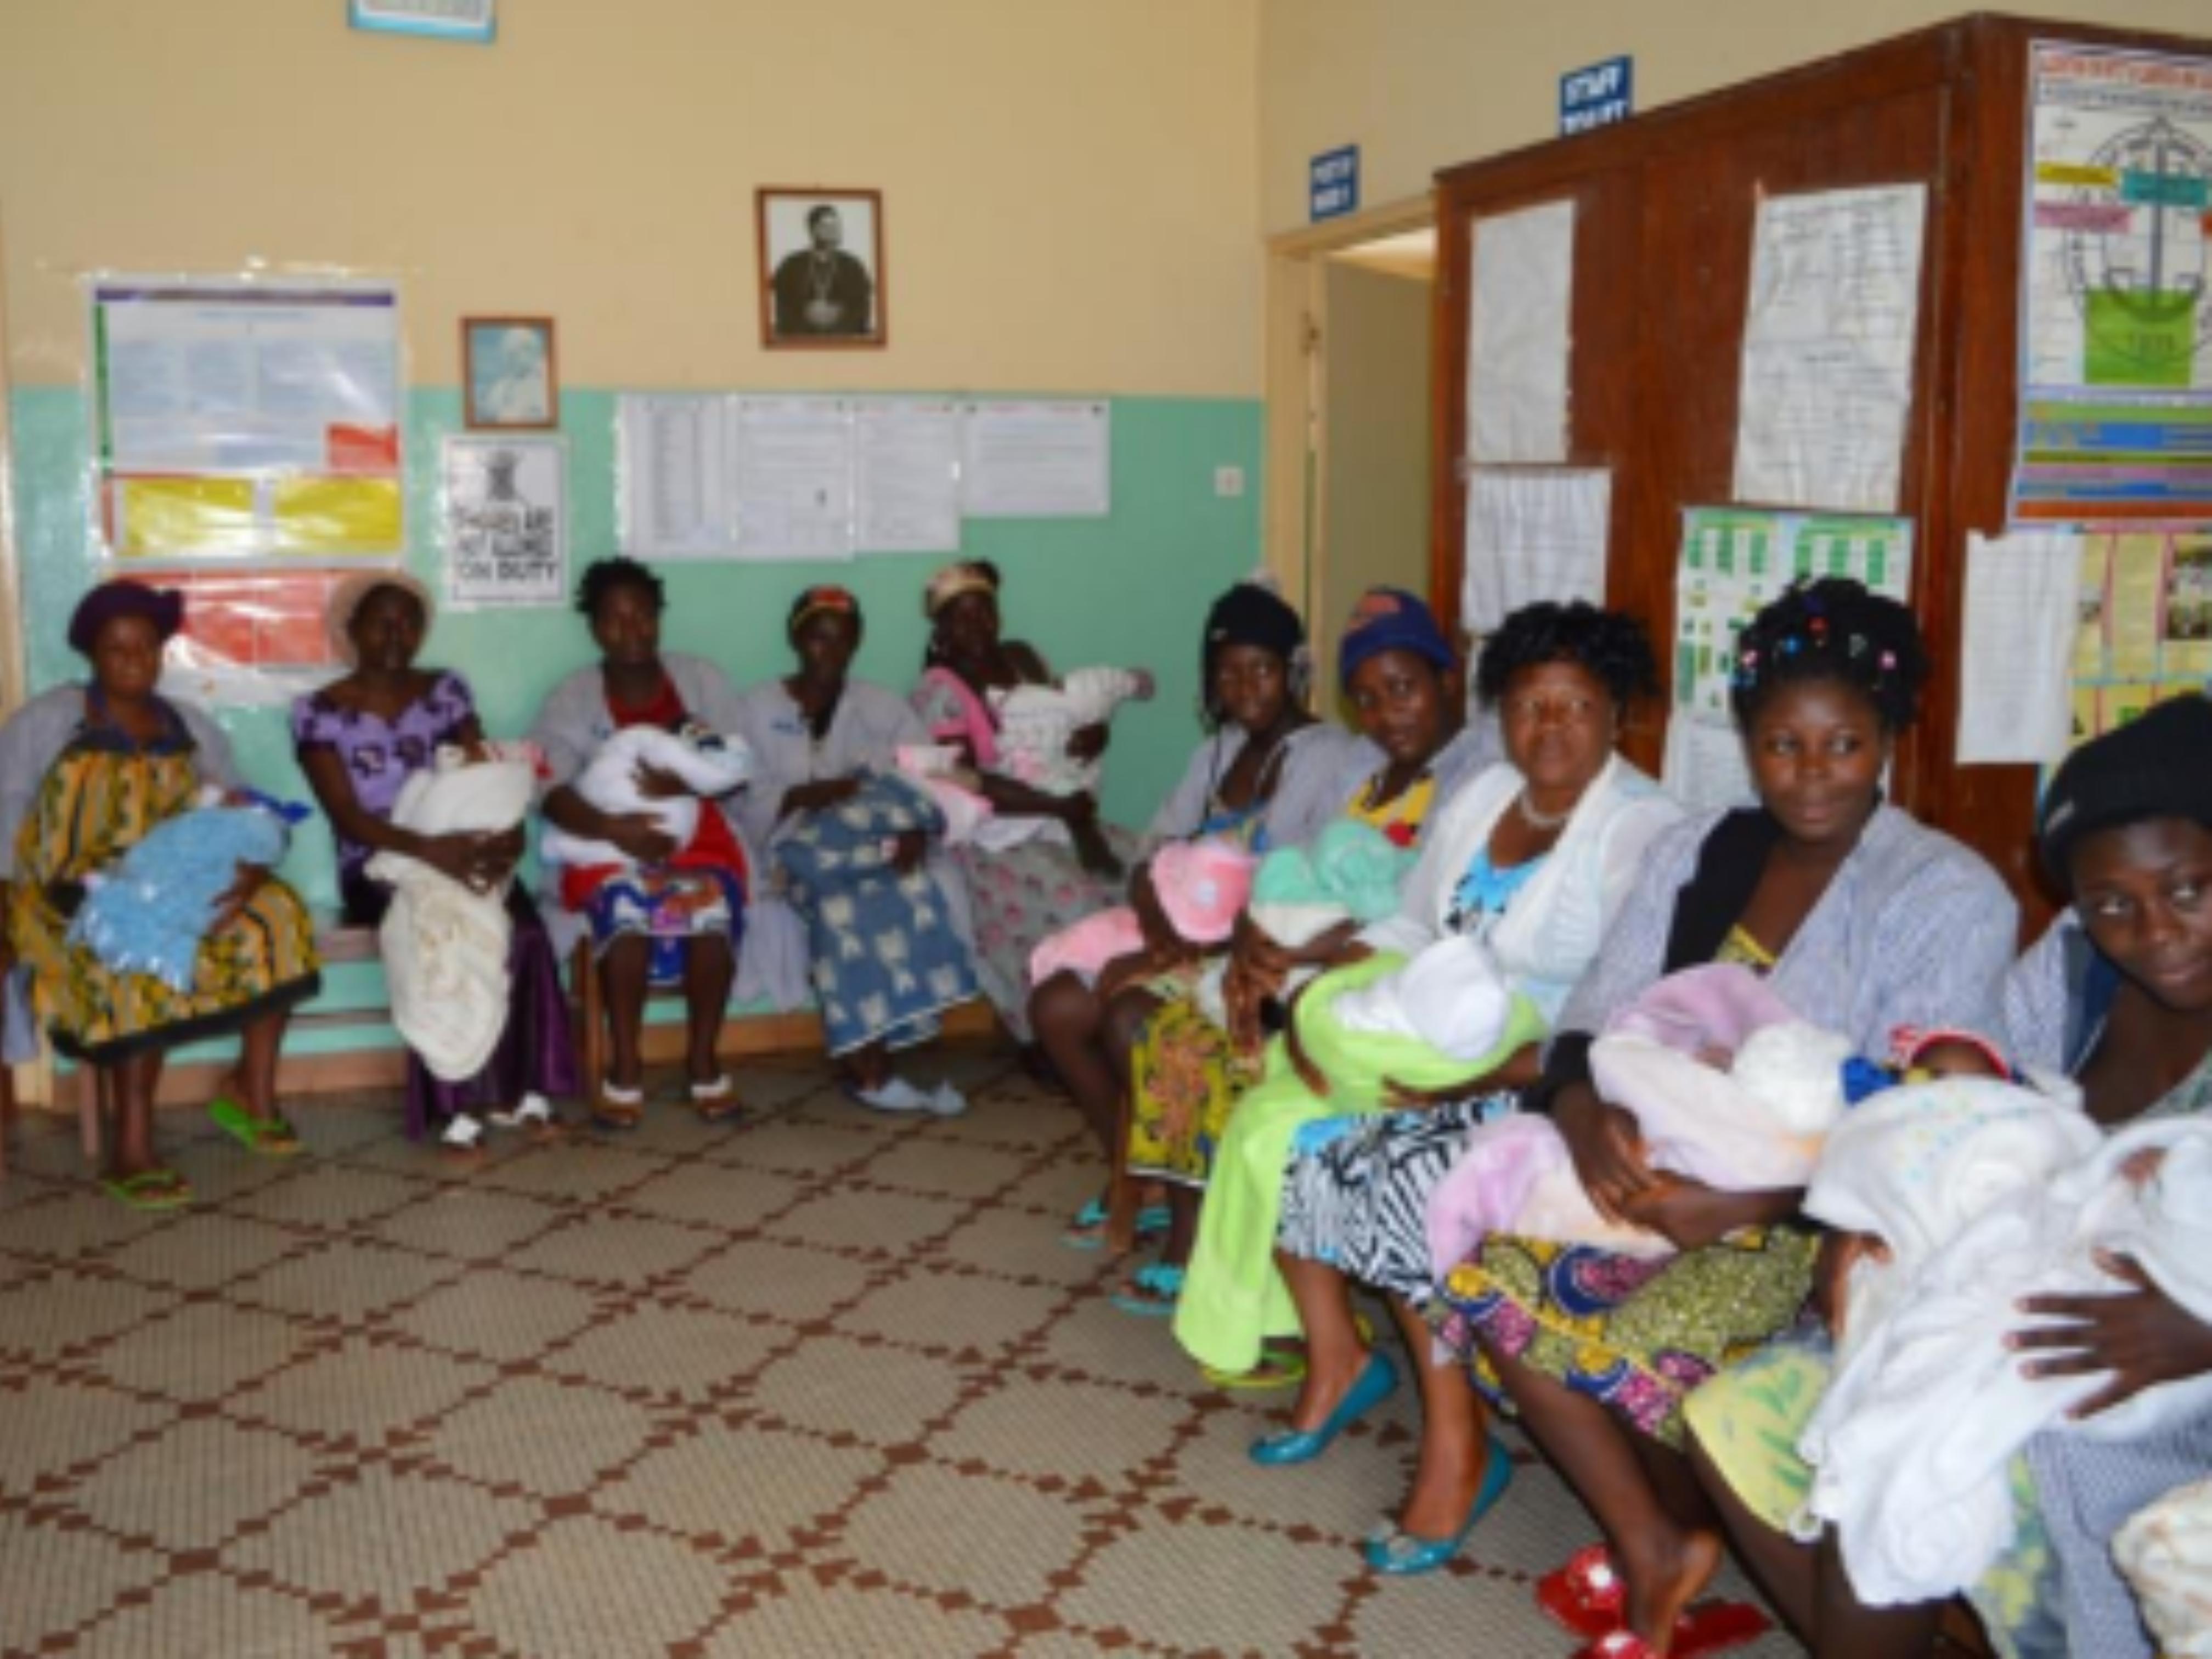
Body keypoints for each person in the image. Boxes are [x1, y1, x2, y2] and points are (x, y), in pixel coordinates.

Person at [1426, 578, 2017, 1657]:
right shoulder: (1698, 850)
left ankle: (1709, 1532)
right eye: (1783, 744)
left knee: (1645, 1336)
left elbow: (1936, 1132)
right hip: (1654, 1170)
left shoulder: (1943, 891)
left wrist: (1749, 1198)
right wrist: (1578, 1114)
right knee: (1486, 1279)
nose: (1812, 773)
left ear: (1888, 739)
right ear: (1750, 744)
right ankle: (1658, 1540)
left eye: (1843, 744)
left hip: (1831, 1220)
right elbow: (1593, 1017)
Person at [1686, 692, 2212, 1659]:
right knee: (1756, 1414)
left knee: (1929, 1457)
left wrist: (2197, 1331)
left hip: (2174, 1375)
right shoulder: (2073, 972)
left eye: (2187, 888)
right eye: (2111, 904)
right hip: (2012, 1295)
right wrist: (1869, 1220)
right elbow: (1955, 1112)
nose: (2155, 931)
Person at [1227, 603, 1683, 1573]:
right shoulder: (1481, 794)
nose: (1548, 728)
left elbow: (1618, 1015)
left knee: (1376, 1169)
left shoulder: (1642, 829)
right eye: (1527, 706)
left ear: (1616, 715)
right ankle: (1337, 1358)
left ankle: (1457, 1445)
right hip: (1433, 1042)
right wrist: (1316, 979)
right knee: (1278, 1118)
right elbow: (1407, 922)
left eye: (1574, 706)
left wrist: (1470, 1080)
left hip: (1546, 1077)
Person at [1113, 585, 1498, 1315]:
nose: (1390, 714)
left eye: (1404, 689)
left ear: (1449, 680)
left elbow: (1421, 906)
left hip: (1381, 973)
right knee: (1172, 1027)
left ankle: (1236, 1272)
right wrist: (1259, 941)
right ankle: (1201, 1241)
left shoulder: (1474, 777)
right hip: (1307, 956)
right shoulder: (1369, 769)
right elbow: (1305, 867)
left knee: (1218, 1048)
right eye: (1371, 699)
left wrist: (1293, 960)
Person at [1028, 578, 1365, 1239]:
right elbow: (1152, 859)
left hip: (1256, 950)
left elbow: (1302, 894)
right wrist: (1158, 936)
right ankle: (1138, 1172)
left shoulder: (1333, 760)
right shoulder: (1214, 753)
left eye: (1262, 669)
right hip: (1183, 939)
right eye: (1228, 674)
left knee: (1130, 1016)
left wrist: (1189, 953)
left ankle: (1196, 1202)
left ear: (1294, 669)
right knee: (1056, 1008)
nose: (1245, 689)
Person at [0, 580, 321, 1207]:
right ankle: (134, 1145)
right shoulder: (48, 719)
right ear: (93, 653)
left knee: (276, 914)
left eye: (145, 646)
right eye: (116, 648)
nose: (132, 660)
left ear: (161, 653)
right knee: (129, 953)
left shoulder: (190, 725)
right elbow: (5, 810)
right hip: (68, 886)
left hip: (174, 875)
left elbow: (237, 807)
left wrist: (253, 864)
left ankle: (250, 1094)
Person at [291, 571, 577, 1153]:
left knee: (524, 933)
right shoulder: (317, 712)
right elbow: (346, 816)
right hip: (381, 865)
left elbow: (484, 771)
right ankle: (453, 1102)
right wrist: (429, 852)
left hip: (464, 847)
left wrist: (508, 837)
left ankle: (523, 1088)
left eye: (409, 623)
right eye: (381, 622)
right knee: (437, 938)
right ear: (352, 630)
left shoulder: (445, 691)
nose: (396, 634)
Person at [732, 584, 977, 1115]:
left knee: (904, 888)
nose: (830, 651)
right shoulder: (757, 707)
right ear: (796, 638)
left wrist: (915, 829)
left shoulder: (881, 707)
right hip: (795, 849)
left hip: (874, 841)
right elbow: (740, 796)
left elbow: (926, 777)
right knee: (841, 905)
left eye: (842, 640)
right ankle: (870, 1070)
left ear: (858, 641)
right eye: (818, 639)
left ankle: (890, 1048)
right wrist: (807, 794)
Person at [531, 557, 751, 1128]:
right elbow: (549, 789)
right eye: (614, 619)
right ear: (594, 627)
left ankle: (703, 1060)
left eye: (643, 616)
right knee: (625, 916)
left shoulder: (702, 681)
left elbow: (737, 768)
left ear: (659, 618)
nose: (632, 631)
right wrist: (615, 831)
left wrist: (685, 782)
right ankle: (625, 1068)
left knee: (709, 912)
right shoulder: (574, 697)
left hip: (699, 837)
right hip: (606, 841)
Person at [911, 559, 1143, 1058]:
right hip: (996, 832)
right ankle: (1056, 1034)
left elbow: (1065, 716)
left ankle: (1131, 1017)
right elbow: (965, 780)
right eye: (960, 617)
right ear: (942, 629)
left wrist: (1094, 734)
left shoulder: (1023, 658)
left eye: (985, 612)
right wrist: (1057, 805)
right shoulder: (939, 691)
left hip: (1063, 813)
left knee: (1147, 871)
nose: (975, 626)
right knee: (1074, 897)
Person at [771, 204, 874, 338]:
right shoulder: (791, 265)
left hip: (843, 341)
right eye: (828, 227)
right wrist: (808, 315)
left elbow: (862, 310)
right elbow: (784, 310)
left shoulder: (853, 266)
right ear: (813, 230)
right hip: (802, 341)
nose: (836, 231)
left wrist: (836, 316)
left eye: (837, 226)